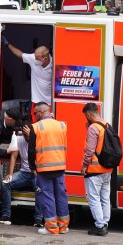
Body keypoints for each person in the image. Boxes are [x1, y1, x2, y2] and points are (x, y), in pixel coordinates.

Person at [26, 101, 69, 235]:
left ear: (41, 112)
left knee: (47, 196)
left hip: (44, 168)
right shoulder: (62, 125)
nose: (34, 116)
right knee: (61, 196)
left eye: (35, 113)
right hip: (60, 166)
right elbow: (64, 146)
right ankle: (63, 226)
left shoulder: (36, 127)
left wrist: (33, 167)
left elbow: (31, 150)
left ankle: (51, 227)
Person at [80, 102, 112, 236]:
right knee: (105, 198)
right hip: (106, 168)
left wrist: (84, 165)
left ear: (88, 114)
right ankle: (104, 223)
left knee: (93, 198)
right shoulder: (106, 124)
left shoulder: (93, 128)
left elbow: (90, 150)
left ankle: (99, 226)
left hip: (94, 169)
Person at [0, 103, 21, 224]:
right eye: (15, 123)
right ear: (10, 120)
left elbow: (8, 129)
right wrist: (6, 152)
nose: (15, 125)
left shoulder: (1, 118)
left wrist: (18, 130)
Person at [3, 38, 54, 110]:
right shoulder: (33, 58)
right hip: (35, 103)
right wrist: (7, 44)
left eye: (37, 58)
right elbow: (19, 54)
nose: (35, 59)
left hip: (49, 104)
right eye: (35, 56)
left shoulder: (54, 66)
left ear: (45, 59)